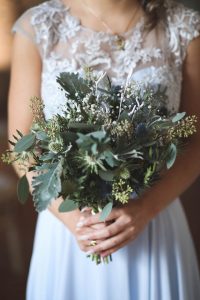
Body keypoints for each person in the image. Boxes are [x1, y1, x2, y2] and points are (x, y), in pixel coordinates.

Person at [8, 0, 200, 299]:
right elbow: (22, 149)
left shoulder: (183, 26)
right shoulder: (38, 27)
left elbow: (196, 141)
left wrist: (146, 209)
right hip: (69, 228)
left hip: (155, 220)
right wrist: (76, 221)